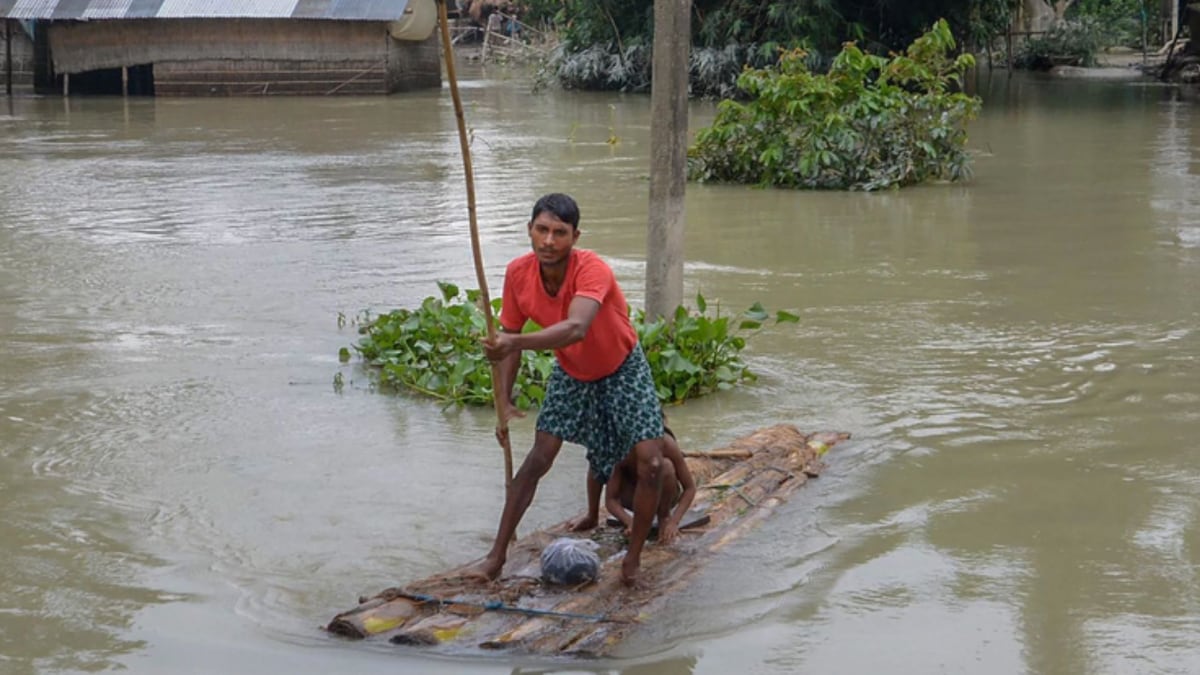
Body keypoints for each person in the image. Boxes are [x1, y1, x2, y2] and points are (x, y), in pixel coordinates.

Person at [472, 193, 673, 587]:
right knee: (538, 459)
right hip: (572, 370)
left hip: (622, 367)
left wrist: (513, 344)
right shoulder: (518, 273)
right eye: (542, 230)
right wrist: (504, 399)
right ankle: (495, 557)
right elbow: (509, 332)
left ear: (575, 236)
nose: (549, 241)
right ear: (529, 231)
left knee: (650, 462)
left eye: (559, 233)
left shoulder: (591, 268)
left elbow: (575, 327)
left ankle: (633, 561)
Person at [605, 424, 696, 546]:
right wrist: (630, 522)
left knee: (667, 466)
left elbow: (690, 488)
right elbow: (611, 499)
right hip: (633, 497)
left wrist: (673, 522)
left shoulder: (666, 443)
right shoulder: (620, 449)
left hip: (664, 496)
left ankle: (664, 517)